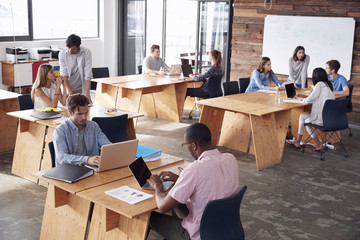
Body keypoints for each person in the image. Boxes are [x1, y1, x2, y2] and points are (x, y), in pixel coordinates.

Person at [147, 123, 240, 240]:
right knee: (178, 202)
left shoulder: (194, 169)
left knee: (147, 217)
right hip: (225, 226)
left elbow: (163, 207)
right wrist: (180, 180)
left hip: (201, 234)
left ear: (194, 146)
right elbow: (211, 183)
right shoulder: (230, 158)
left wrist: (158, 186)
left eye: (186, 145)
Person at [52, 94, 111, 166]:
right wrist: (87, 159)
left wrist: (117, 150)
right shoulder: (60, 131)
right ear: (70, 113)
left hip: (91, 169)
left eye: (86, 112)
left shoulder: (93, 126)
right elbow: (61, 157)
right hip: (69, 171)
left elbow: (108, 146)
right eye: (80, 114)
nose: (84, 117)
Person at [286, 68, 335, 151]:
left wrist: (300, 98)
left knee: (305, 121)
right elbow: (318, 97)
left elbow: (309, 100)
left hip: (321, 119)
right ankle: (298, 141)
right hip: (330, 118)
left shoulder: (319, 85)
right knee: (302, 116)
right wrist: (308, 95)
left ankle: (316, 143)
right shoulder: (330, 85)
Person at [59, 34, 93, 103]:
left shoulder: (86, 52)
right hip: (68, 87)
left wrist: (87, 94)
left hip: (81, 87)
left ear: (78, 46)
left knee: (82, 107)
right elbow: (64, 75)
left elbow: (88, 74)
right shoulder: (62, 53)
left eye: (73, 49)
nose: (70, 51)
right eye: (69, 48)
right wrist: (71, 93)